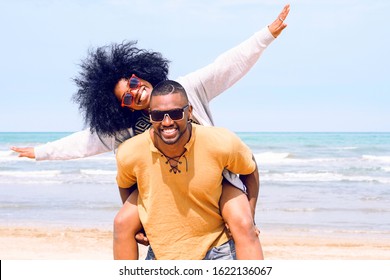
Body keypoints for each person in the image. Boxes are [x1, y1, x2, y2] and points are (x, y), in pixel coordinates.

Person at [11, 5, 290, 259]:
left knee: (241, 223)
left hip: (211, 176)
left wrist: (266, 36)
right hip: (164, 188)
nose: (135, 92)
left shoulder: (184, 89)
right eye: (127, 98)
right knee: (123, 221)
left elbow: (225, 67)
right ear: (124, 108)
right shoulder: (127, 131)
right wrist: (39, 152)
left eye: (133, 82)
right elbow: (86, 142)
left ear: (142, 73)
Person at [116, 80, 261, 259]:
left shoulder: (221, 141)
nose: (167, 122)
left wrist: (251, 213)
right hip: (164, 252)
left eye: (175, 113)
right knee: (121, 222)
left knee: (244, 223)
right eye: (158, 116)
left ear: (189, 112)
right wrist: (140, 222)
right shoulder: (130, 152)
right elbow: (125, 184)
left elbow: (249, 168)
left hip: (219, 247)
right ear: (150, 116)